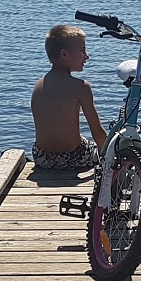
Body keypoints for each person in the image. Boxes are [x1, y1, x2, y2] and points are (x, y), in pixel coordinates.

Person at [31, 24, 108, 171]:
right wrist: (109, 156)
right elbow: (97, 132)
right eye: (82, 51)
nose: (87, 56)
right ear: (64, 54)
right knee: (101, 148)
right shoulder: (81, 87)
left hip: (43, 158)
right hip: (73, 157)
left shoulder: (38, 85)